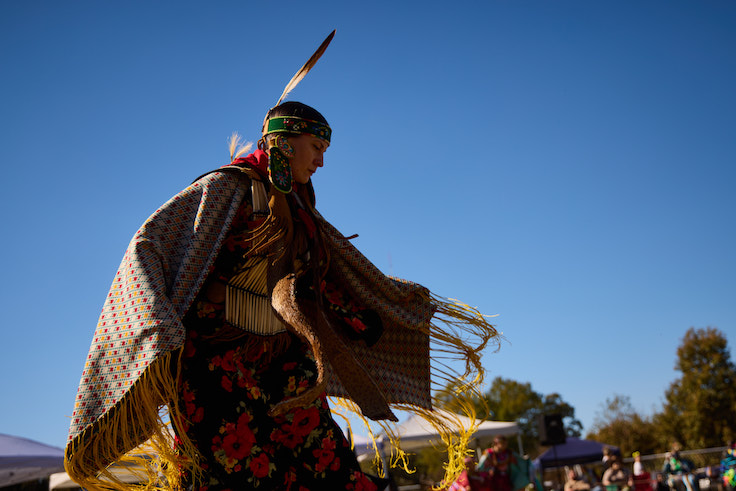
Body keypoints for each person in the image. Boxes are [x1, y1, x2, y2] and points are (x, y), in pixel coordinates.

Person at [63, 33, 498, 491]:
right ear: (286, 142)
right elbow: (149, 241)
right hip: (214, 361)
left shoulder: (303, 218)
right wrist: (156, 326)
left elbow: (313, 281)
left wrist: (364, 313)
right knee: (241, 474)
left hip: (283, 361)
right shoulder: (227, 189)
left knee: (330, 468)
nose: (322, 163)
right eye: (317, 149)